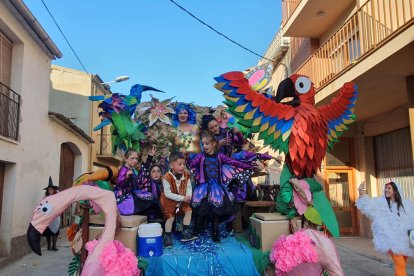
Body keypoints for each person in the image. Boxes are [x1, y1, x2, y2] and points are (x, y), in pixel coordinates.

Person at [190, 133, 257, 242]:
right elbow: (192, 164)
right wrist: (189, 162)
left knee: (218, 207)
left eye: (207, 144)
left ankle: (215, 230)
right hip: (203, 187)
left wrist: (249, 167)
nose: (205, 146)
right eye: (203, 144)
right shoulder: (201, 156)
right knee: (202, 206)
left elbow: (234, 162)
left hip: (217, 187)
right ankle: (197, 230)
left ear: (213, 144)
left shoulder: (220, 156)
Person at [357, 181, 414, 276]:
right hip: (390, 239)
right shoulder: (380, 203)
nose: (386, 190)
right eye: (386, 188)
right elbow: (367, 206)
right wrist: (361, 193)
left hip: (404, 240)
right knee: (400, 264)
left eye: (389, 188)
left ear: (395, 191)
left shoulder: (406, 205)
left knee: (401, 264)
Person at [160, 152, 197, 248]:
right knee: (170, 218)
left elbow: (188, 186)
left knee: (188, 211)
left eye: (184, 164)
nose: (182, 166)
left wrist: (188, 196)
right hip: (169, 201)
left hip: (182, 200)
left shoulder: (186, 175)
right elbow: (168, 194)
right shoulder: (166, 177)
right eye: (179, 164)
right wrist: (182, 198)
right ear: (171, 165)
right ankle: (167, 237)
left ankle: (185, 232)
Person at [114, 147, 156, 216]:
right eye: (132, 158)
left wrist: (149, 158)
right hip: (124, 198)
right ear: (126, 159)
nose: (135, 161)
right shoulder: (123, 169)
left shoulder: (133, 170)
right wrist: (126, 177)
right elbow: (119, 184)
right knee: (147, 201)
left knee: (151, 197)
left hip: (132, 193)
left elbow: (142, 175)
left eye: (136, 158)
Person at [42, 176, 60, 251]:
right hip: (48, 217)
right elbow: (42, 206)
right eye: (49, 189)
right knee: (48, 233)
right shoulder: (45, 197)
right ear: (47, 190)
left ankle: (54, 246)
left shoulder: (57, 197)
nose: (50, 191)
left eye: (51, 189)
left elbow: (59, 204)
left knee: (55, 232)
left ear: (54, 190)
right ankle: (49, 246)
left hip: (55, 217)